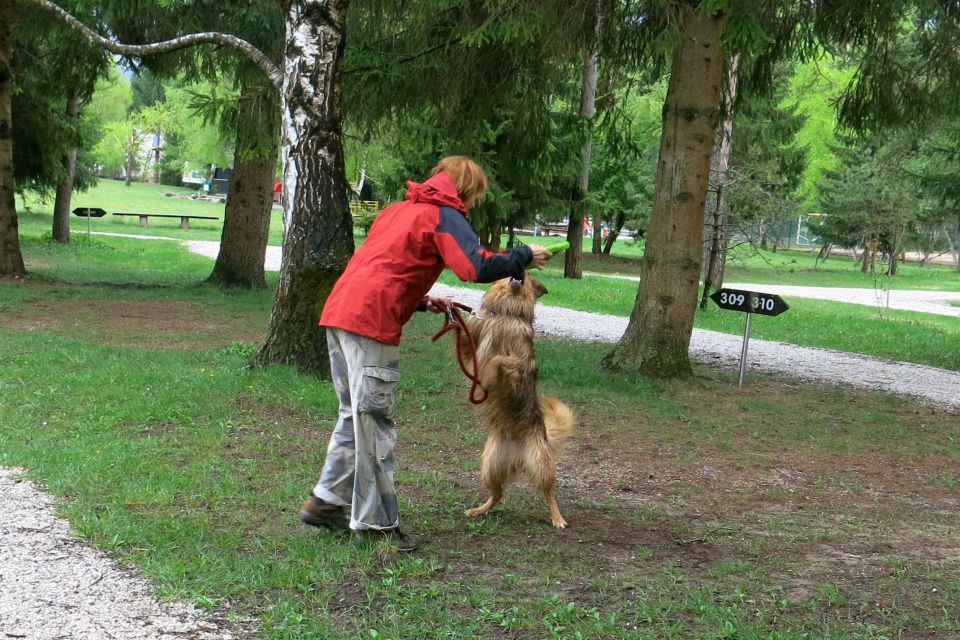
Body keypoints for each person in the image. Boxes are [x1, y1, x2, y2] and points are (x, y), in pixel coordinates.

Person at [298, 156, 552, 551]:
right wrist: (522, 255)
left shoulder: (398, 211)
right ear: (467, 189)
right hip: (371, 322)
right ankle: (376, 525)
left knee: (356, 415)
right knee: (374, 421)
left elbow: (385, 266)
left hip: (341, 312)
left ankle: (325, 502)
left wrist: (420, 299)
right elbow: (472, 266)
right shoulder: (443, 215)